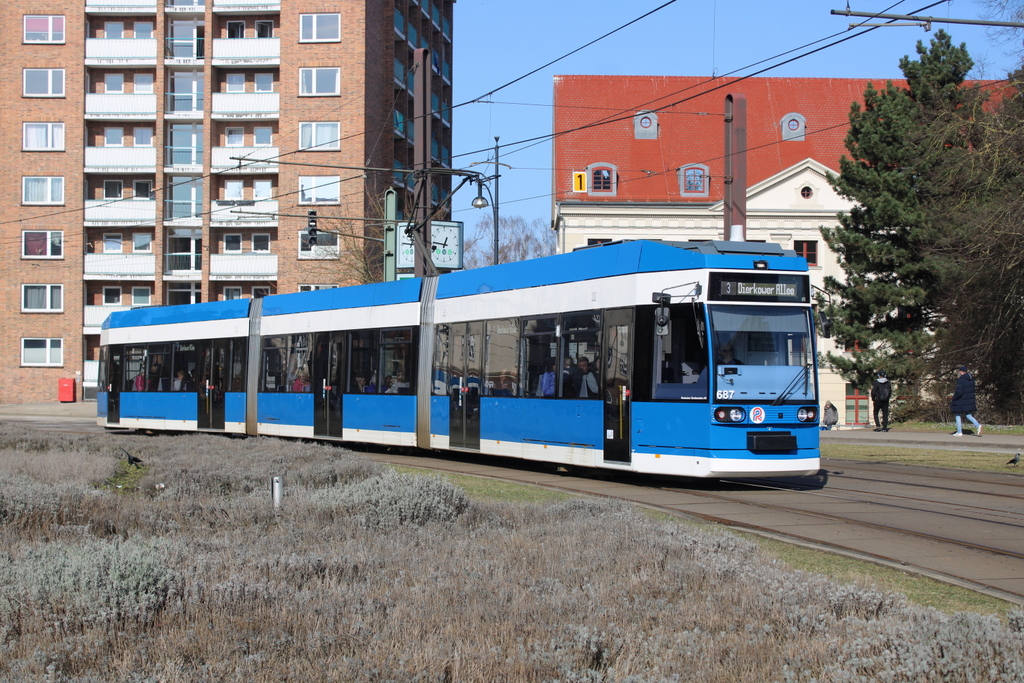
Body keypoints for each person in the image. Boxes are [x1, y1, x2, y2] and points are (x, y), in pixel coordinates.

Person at [950, 365, 982, 437]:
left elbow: (959, 391)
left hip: (961, 400)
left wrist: (954, 397)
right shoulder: (972, 380)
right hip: (969, 400)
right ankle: (978, 425)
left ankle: (959, 432)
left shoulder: (961, 380)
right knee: (968, 415)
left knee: (958, 414)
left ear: (961, 372)